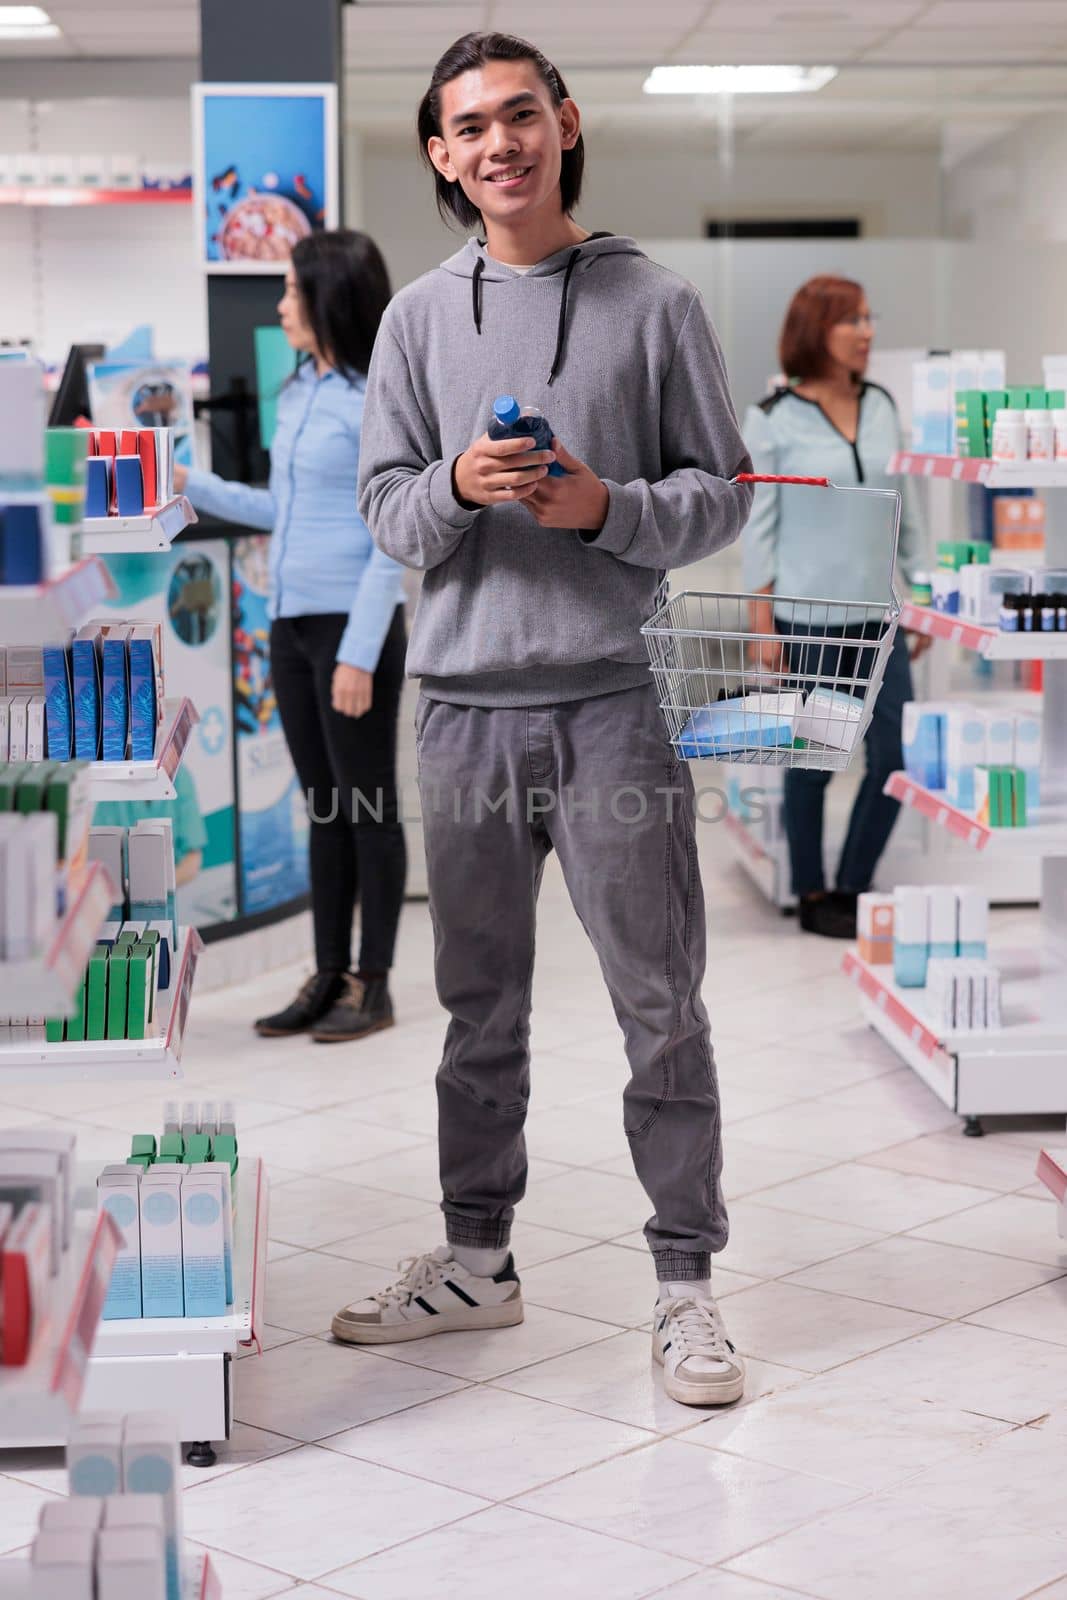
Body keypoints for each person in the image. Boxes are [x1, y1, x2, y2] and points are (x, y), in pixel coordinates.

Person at [333, 30, 754, 1411]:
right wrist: (458, 481)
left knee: (658, 1001)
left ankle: (684, 1281)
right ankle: (475, 1262)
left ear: (564, 125)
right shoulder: (411, 324)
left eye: (522, 113)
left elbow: (721, 489)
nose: (499, 142)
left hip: (609, 711)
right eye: (469, 126)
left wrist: (604, 511)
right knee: (476, 1010)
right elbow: (389, 517)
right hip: (460, 715)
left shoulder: (652, 302)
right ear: (442, 156)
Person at [175, 230, 407, 1041]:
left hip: (354, 626)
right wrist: (187, 484)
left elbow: (393, 532)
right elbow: (283, 510)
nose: (279, 307)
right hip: (291, 623)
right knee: (324, 809)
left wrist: (359, 650)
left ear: (328, 298)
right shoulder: (299, 389)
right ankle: (327, 973)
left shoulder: (385, 392)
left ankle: (371, 984)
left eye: (290, 292)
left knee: (368, 808)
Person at [742, 275, 927, 940]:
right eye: (851, 320)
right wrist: (762, 623)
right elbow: (758, 527)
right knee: (814, 762)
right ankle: (811, 892)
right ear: (814, 332)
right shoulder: (770, 418)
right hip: (807, 620)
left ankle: (852, 885)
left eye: (868, 318)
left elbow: (905, 508)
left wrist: (921, 593)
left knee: (892, 759)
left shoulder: (881, 406)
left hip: (879, 618)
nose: (866, 331)